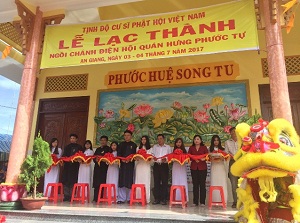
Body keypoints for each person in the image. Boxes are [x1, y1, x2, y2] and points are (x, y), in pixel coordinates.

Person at [61, 134, 84, 201]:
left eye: (74, 138)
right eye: (71, 138)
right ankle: (66, 196)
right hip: (67, 166)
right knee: (66, 180)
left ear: (76, 139)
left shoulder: (79, 147)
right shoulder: (67, 147)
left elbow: (81, 156)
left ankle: (72, 195)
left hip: (75, 166)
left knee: (73, 180)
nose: (72, 139)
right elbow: (64, 156)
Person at [117, 130, 137, 204]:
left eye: (128, 135)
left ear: (131, 136)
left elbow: (135, 155)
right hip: (122, 165)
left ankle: (129, 198)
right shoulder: (121, 144)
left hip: (130, 165)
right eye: (125, 135)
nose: (126, 137)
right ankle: (121, 198)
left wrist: (130, 160)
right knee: (122, 181)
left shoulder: (134, 145)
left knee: (129, 181)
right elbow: (118, 154)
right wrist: (122, 160)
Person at [188, 135, 208, 207]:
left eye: (198, 139)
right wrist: (193, 159)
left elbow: (207, 156)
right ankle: (195, 201)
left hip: (202, 168)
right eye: (195, 139)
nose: (196, 140)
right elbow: (189, 156)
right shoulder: (191, 148)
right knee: (195, 185)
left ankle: (202, 202)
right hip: (194, 167)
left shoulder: (204, 147)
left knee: (202, 185)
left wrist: (204, 159)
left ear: (201, 140)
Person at [152, 134, 172, 205]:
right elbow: (152, 155)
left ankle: (164, 199)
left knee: (164, 182)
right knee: (156, 182)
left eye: (161, 138)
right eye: (158, 139)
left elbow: (170, 156)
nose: (159, 140)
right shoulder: (155, 147)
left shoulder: (168, 147)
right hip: (156, 165)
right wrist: (153, 158)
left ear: (164, 139)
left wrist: (166, 159)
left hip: (164, 165)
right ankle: (157, 199)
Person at [209, 135, 228, 205]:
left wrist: (220, 158)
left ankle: (223, 200)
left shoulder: (223, 149)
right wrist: (213, 158)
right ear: (212, 141)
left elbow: (225, 158)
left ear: (219, 141)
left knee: (221, 183)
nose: (216, 142)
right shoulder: (210, 149)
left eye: (217, 140)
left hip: (221, 167)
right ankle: (214, 201)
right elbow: (209, 159)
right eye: (214, 140)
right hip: (214, 167)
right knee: (214, 183)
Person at [134, 135, 153, 203]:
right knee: (138, 181)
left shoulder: (150, 149)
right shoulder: (137, 148)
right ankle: (138, 198)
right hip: (139, 166)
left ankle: (146, 198)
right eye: (142, 139)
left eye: (145, 139)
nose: (143, 141)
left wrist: (145, 158)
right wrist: (137, 158)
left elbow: (151, 159)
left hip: (146, 166)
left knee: (146, 181)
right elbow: (136, 158)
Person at [225, 127, 239, 208]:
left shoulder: (242, 141)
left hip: (241, 163)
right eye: (232, 132)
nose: (234, 133)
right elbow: (226, 153)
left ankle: (243, 202)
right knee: (234, 184)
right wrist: (231, 156)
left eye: (235, 131)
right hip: (232, 162)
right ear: (230, 133)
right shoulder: (227, 142)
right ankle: (235, 201)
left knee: (242, 183)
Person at [93, 135, 110, 202]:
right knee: (96, 183)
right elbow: (94, 157)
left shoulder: (108, 149)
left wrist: (102, 159)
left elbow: (109, 158)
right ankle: (95, 198)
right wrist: (95, 160)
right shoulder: (98, 149)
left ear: (106, 141)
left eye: (104, 140)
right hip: (97, 168)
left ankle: (102, 197)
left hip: (104, 168)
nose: (103, 142)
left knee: (103, 182)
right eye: (101, 140)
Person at [172, 138, 189, 202]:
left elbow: (187, 160)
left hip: (182, 168)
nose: (178, 144)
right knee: (175, 181)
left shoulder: (185, 151)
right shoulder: (173, 151)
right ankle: (175, 198)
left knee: (182, 181)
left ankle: (184, 199)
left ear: (182, 143)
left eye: (179, 142)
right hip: (175, 168)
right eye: (177, 142)